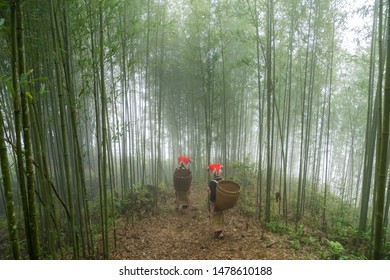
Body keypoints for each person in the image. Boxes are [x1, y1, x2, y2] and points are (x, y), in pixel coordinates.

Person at [207, 163, 224, 239]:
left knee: (215, 216)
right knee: (220, 216)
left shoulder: (211, 183)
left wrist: (214, 202)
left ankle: (217, 231)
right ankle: (220, 232)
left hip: (214, 202)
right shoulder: (223, 181)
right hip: (222, 202)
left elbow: (213, 194)